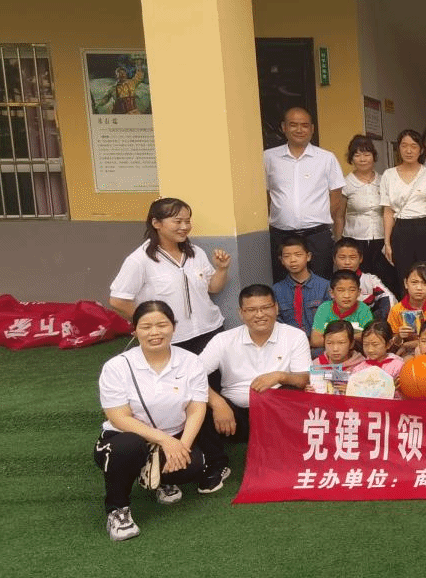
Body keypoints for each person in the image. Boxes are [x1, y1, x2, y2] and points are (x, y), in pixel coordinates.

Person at [93, 301, 229, 542]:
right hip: (122, 440)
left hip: (173, 438)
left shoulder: (191, 362)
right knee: (130, 447)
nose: (154, 332)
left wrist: (183, 446)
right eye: (146, 327)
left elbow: (197, 408)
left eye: (162, 325)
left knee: (192, 465)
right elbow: (118, 417)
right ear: (135, 330)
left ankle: (160, 480)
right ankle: (118, 509)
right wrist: (166, 441)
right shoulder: (117, 367)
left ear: (173, 327)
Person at [108, 197, 230, 353]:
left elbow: (213, 288)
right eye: (178, 221)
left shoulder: (196, 252)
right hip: (172, 339)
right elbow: (118, 300)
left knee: (215, 370)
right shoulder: (139, 260)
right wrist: (149, 324)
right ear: (156, 223)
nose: (185, 227)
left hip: (210, 329)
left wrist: (221, 269)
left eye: (187, 221)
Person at [200, 284, 311, 443]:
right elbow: (192, 375)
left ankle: (282, 445)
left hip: (278, 408)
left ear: (276, 308)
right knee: (199, 406)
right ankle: (216, 458)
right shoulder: (223, 340)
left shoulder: (295, 336)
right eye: (251, 310)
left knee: (293, 392)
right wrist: (218, 403)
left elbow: (303, 379)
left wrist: (280, 376)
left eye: (266, 308)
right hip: (235, 411)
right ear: (241, 313)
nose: (259, 315)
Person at [263, 107, 344, 281]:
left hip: (317, 237)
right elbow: (265, 195)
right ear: (283, 127)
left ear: (312, 129)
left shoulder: (326, 158)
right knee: (283, 285)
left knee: (321, 283)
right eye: (293, 125)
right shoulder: (268, 158)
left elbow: (336, 197)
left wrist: (316, 216)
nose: (299, 130)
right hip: (281, 236)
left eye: (305, 125)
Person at [380, 128, 426, 289]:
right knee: (404, 276)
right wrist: (387, 242)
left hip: (425, 228)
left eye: (413, 146)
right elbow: (388, 212)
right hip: (400, 230)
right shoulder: (388, 175)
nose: (409, 150)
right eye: (404, 145)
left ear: (421, 149)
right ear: (398, 148)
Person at [341, 135, 392, 292]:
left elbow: (390, 211)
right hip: (356, 240)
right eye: (357, 155)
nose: (362, 159)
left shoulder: (384, 180)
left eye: (366, 154)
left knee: (385, 281)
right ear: (351, 158)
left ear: (373, 156)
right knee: (358, 284)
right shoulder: (345, 183)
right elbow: (339, 216)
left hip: (382, 240)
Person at [272, 236, 329, 338]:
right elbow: (276, 321)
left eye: (298, 255)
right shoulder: (276, 290)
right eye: (287, 256)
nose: (293, 260)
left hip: (320, 342)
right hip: (290, 342)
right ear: (281, 260)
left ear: (308, 256)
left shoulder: (325, 286)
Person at [310, 271, 373, 348]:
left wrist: (335, 339)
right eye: (340, 290)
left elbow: (369, 337)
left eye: (352, 290)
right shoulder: (325, 308)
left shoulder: (363, 309)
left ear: (359, 292)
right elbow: (315, 340)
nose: (346, 295)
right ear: (332, 293)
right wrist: (349, 338)